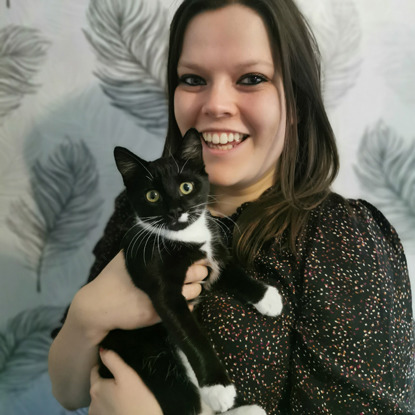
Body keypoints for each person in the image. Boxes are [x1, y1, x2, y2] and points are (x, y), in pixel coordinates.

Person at [48, 0, 415, 413]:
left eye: (252, 77)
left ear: (295, 102)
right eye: (192, 78)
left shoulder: (341, 236)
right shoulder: (140, 214)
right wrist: (85, 314)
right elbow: (71, 392)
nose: (216, 105)